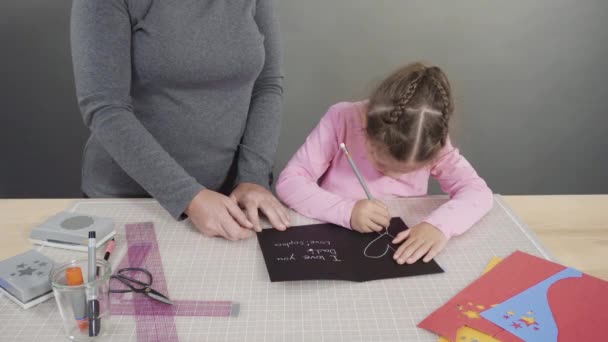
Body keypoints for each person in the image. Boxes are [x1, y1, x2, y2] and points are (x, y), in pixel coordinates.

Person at [70, 0, 290, 240]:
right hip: (133, 200)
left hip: (230, 199)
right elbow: (105, 107)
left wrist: (253, 178)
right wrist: (189, 197)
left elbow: (266, 85)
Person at [276, 62, 493, 264]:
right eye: (382, 162)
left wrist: (438, 226)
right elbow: (290, 182)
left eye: (407, 171)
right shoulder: (343, 118)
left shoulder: (432, 142)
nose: (393, 176)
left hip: (393, 243)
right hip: (329, 231)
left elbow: (477, 193)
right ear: (365, 127)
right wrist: (347, 211)